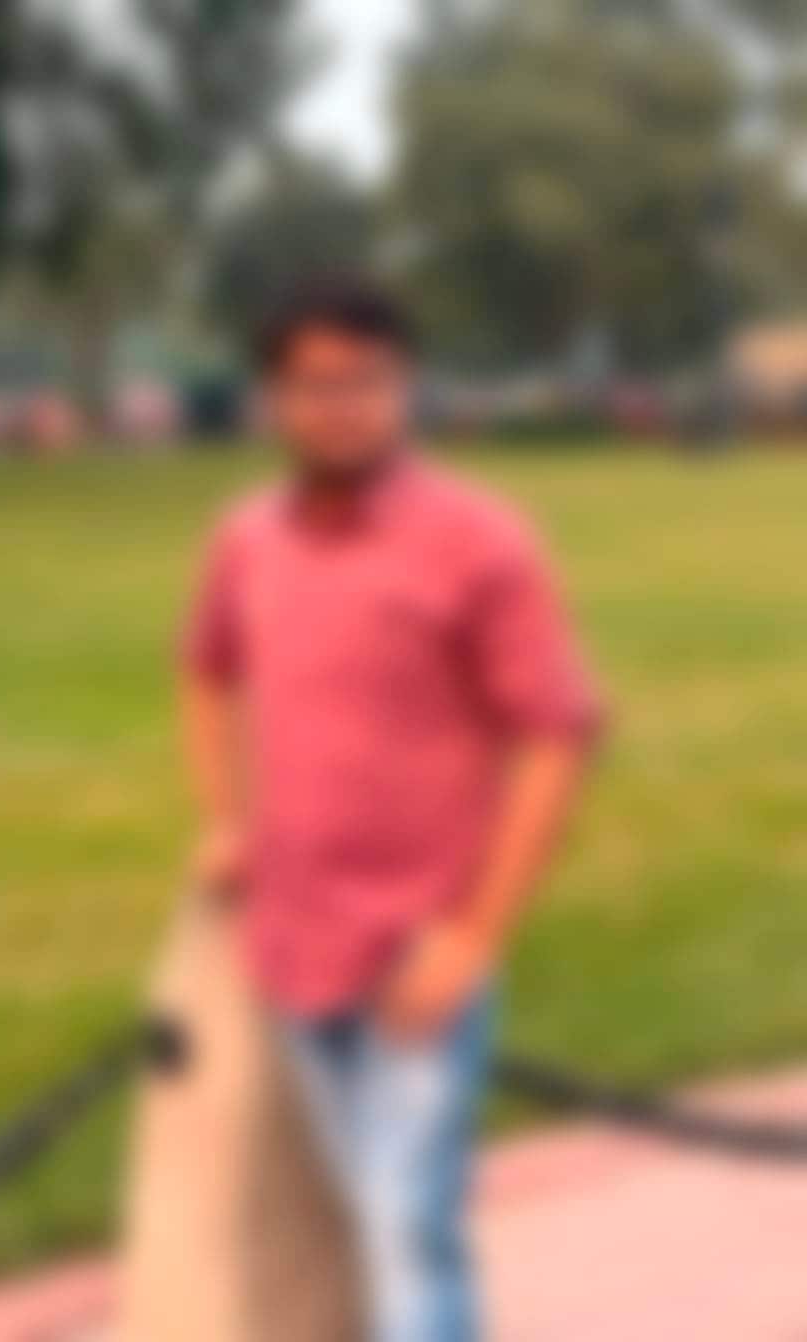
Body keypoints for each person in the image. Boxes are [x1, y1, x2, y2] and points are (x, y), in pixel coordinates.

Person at [180, 278, 604, 1342]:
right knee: (376, 1221)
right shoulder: (248, 539)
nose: (342, 407)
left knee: (408, 1233)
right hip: (292, 939)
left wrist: (472, 939)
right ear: (274, 399)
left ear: (405, 385)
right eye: (313, 385)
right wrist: (226, 817)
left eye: (366, 381)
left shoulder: (480, 540)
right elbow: (205, 668)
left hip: (421, 948)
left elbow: (557, 736)